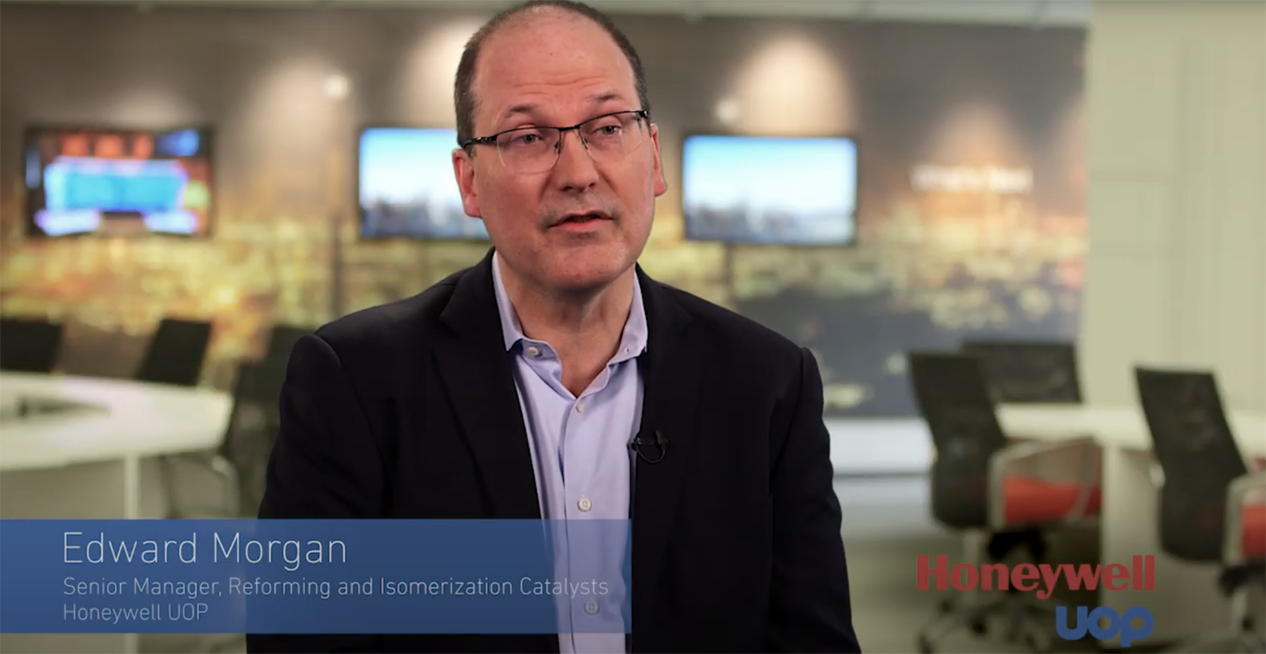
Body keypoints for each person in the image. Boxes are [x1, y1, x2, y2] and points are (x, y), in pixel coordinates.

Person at [247, 1, 861, 653]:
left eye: (608, 127)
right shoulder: (357, 382)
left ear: (653, 158)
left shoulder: (767, 382)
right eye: (527, 138)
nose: (577, 173)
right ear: (469, 181)